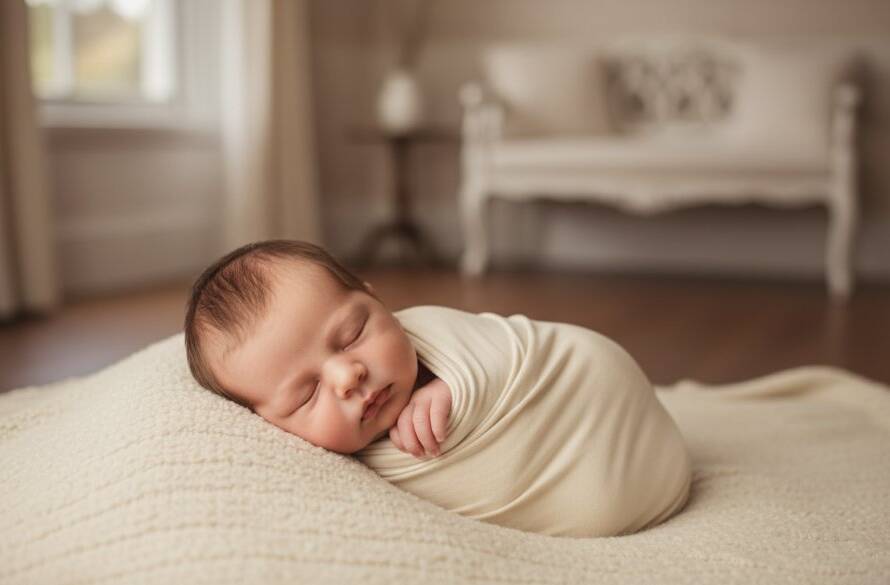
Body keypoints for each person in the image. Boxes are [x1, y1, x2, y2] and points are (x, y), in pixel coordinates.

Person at [184, 239, 692, 537]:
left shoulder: (431, 330)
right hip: (591, 501)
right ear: (267, 421)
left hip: (592, 392)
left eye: (353, 334)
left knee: (595, 359)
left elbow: (511, 349)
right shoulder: (326, 471)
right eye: (306, 395)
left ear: (374, 298)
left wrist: (452, 386)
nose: (347, 376)